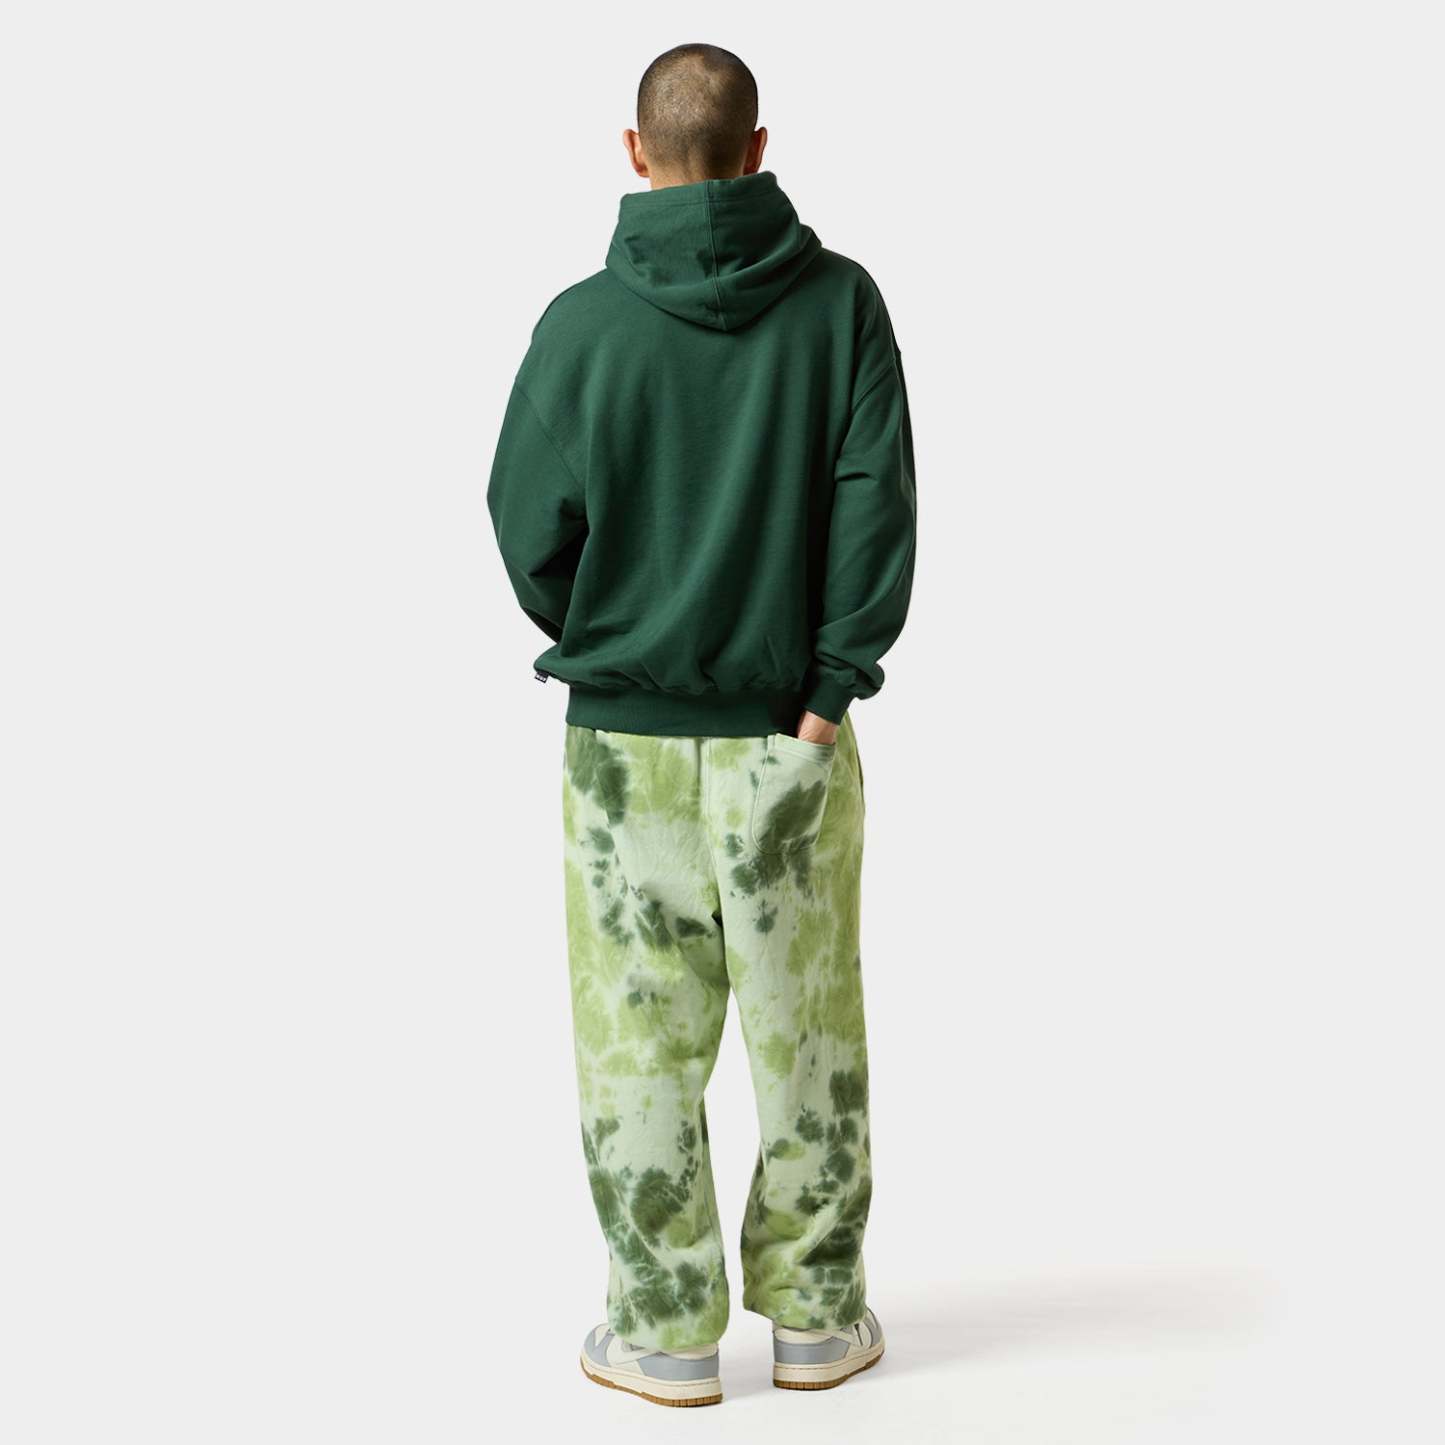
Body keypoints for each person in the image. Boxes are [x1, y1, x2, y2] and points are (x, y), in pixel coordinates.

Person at [486, 42, 916, 1408]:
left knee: (637, 1044)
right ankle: (819, 1319)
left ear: (635, 152)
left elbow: (523, 524)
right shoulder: (842, 307)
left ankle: (664, 1331)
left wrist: (617, 631)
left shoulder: (578, 329)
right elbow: (874, 510)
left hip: (622, 754)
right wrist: (828, 691)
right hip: (791, 734)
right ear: (757, 147)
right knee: (809, 1033)